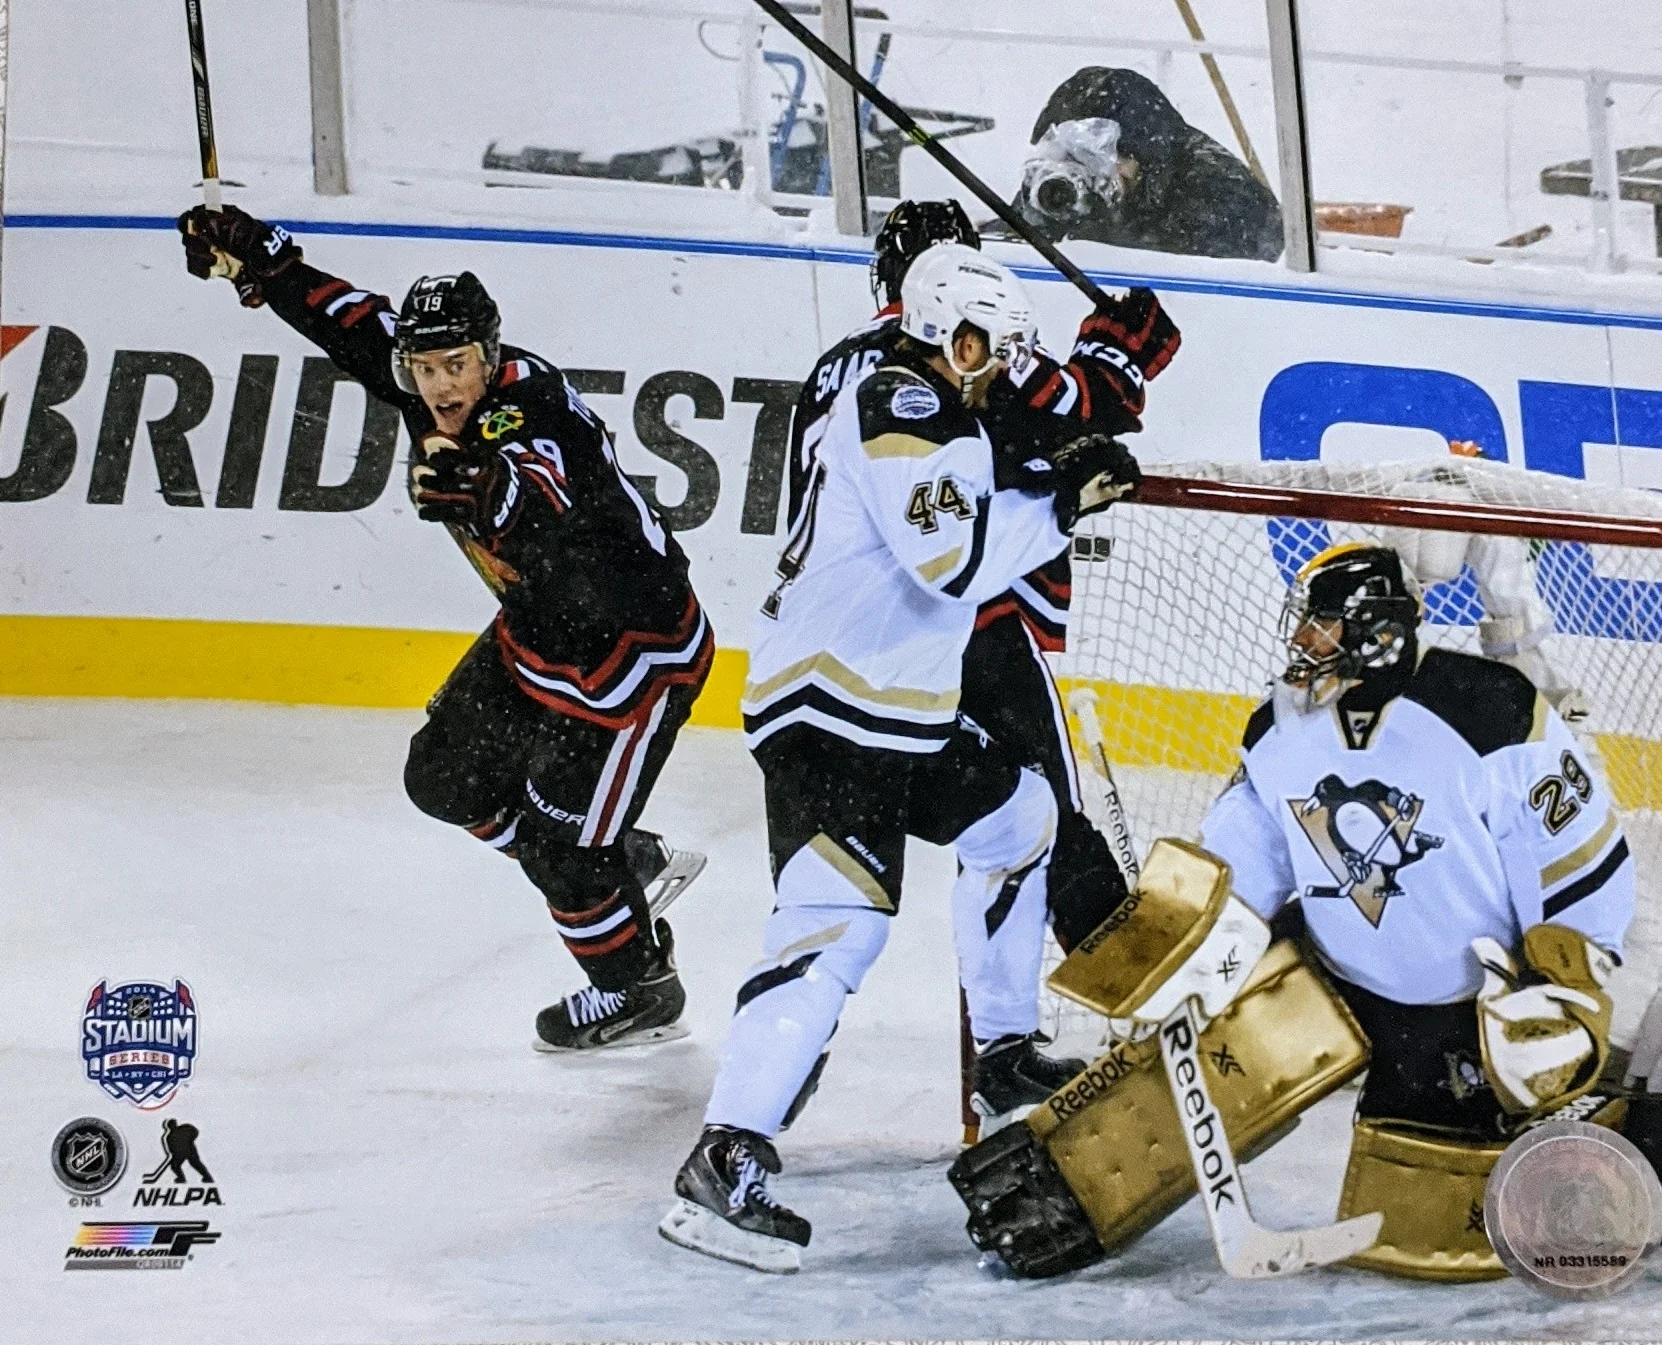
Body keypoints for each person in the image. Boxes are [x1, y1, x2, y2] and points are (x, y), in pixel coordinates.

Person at [955, 543, 1655, 1280]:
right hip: (1327, 978)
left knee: (1425, 1238)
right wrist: (1171, 963)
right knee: (1188, 1062)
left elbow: (1580, 856)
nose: (1301, 640)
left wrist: (1566, 989)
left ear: (1376, 630)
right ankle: (1060, 1191)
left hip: (1467, 1011)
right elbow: (1237, 866)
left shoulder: (1490, 710)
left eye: (1320, 624)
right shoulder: (1280, 729)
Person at [657, 244, 1140, 1273]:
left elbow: (968, 514)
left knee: (1022, 819)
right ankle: (725, 1156)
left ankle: (1004, 1054)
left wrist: (1057, 471)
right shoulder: (901, 402)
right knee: (835, 927)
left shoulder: (937, 409)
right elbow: (950, 563)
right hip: (832, 711)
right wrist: (1064, 499)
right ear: (948, 336)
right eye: (991, 348)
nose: (1002, 367)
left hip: (899, 711)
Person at [177, 204, 711, 1052]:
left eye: (457, 364)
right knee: (444, 778)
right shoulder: (421, 379)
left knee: (563, 855)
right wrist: (262, 264)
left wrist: (487, 492)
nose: (442, 386)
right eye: (425, 368)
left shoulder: (533, 408)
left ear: (490, 357)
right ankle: (620, 863)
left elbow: (541, 484)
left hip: (632, 661)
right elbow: (350, 321)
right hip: (539, 640)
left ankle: (637, 984)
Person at [789, 201, 1181, 1118]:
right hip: (976, 626)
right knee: (1041, 825)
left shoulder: (832, 369)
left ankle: (789, 1043)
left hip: (844, 652)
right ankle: (1146, 1024)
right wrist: (1122, 349)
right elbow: (1081, 414)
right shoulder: (956, 348)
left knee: (830, 875)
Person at [1012, 67, 1283, 262]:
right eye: (1069, 157)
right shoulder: (1064, 187)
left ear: (1143, 157)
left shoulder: (1219, 194)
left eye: (1096, 156)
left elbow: (1192, 293)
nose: (1085, 171)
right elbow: (1011, 249)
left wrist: (1101, 235)